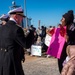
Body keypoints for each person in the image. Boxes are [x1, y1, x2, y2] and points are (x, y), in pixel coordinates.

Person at [0, 7, 26, 75]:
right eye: (21, 16)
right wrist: (31, 34)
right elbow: (26, 44)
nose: (22, 19)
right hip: (12, 59)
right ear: (16, 17)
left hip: (2, 57)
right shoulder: (17, 29)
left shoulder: (2, 28)